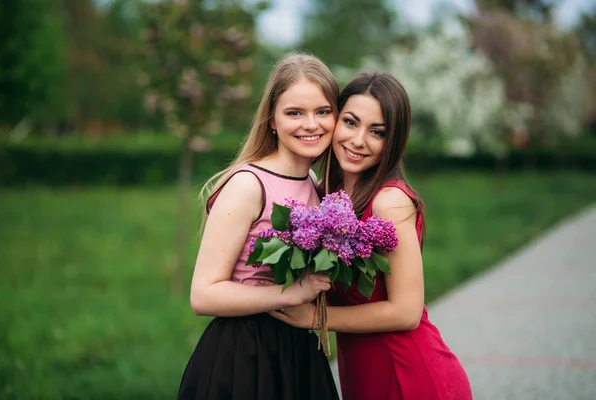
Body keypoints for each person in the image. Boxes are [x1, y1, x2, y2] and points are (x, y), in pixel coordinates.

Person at [269, 71, 473, 400]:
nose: (358, 140)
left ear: (393, 142)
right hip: (363, 374)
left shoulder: (388, 201)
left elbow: (407, 312)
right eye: (350, 122)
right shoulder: (327, 195)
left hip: (408, 374)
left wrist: (314, 318)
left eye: (377, 132)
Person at [176, 53, 341, 400]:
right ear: (272, 120)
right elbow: (203, 294)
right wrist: (294, 294)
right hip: (245, 355)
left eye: (322, 111)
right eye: (294, 112)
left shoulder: (313, 181)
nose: (311, 124)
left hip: (297, 351)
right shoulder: (249, 185)